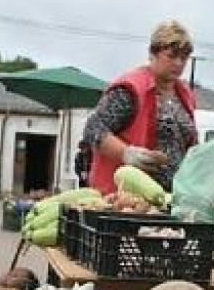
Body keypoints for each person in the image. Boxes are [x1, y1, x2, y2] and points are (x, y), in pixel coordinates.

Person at [82, 20, 196, 194]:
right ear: (153, 54)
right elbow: (94, 128)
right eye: (172, 56)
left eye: (184, 58)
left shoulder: (185, 94)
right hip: (125, 198)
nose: (179, 63)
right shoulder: (130, 89)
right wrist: (128, 154)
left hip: (171, 198)